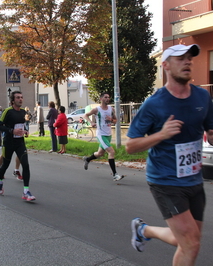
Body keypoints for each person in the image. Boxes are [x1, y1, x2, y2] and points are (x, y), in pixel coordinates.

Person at [126, 44, 213, 265]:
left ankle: (143, 230)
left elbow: (210, 132)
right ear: (165, 65)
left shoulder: (203, 97)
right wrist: (161, 134)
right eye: (180, 58)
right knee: (191, 243)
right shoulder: (154, 103)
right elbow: (131, 146)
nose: (188, 62)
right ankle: (143, 230)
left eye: (190, 58)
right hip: (165, 181)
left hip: (194, 179)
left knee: (186, 240)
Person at [0, 90, 35, 201]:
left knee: (26, 165)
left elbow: (23, 125)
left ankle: (26, 192)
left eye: (21, 97)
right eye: (18, 97)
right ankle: (0, 182)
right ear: (13, 100)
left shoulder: (23, 112)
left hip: (20, 143)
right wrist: (11, 131)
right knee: (5, 165)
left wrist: (26, 131)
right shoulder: (7, 111)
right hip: (8, 143)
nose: (20, 99)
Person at [82, 92, 123, 181]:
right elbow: (85, 115)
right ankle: (115, 175)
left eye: (108, 97)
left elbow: (116, 120)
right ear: (101, 99)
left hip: (108, 134)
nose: (107, 98)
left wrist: (111, 119)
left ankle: (87, 159)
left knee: (100, 153)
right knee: (111, 152)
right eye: (105, 97)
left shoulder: (111, 109)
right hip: (101, 134)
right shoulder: (96, 109)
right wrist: (91, 122)